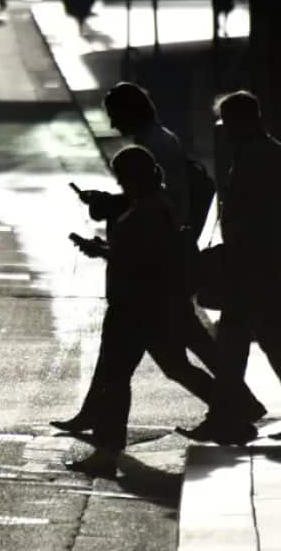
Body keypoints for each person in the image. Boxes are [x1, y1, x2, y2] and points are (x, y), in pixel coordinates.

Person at [51, 83, 264, 434]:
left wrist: (110, 210)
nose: (112, 124)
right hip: (164, 266)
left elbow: (154, 202)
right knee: (169, 349)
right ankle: (236, 402)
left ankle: (233, 404)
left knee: (158, 353)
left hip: (157, 275)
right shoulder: (160, 140)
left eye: (115, 115)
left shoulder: (155, 148)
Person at [65, 147, 218, 477]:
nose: (120, 182)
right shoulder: (150, 204)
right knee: (170, 367)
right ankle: (230, 406)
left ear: (134, 177)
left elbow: (143, 260)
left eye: (122, 176)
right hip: (144, 306)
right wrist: (106, 249)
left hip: (134, 307)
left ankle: (107, 452)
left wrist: (102, 251)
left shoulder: (148, 211)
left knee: (115, 379)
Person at [180, 92, 281, 444]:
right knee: (250, 343)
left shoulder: (257, 158)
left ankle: (226, 418)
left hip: (255, 269)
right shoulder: (262, 153)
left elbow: (257, 218)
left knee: (241, 345)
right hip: (256, 269)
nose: (224, 131)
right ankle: (226, 417)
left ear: (241, 121)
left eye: (227, 123)